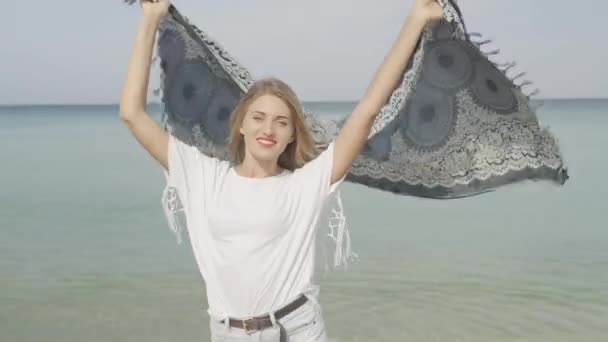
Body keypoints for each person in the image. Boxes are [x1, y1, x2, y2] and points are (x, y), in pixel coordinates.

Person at [119, 0, 442, 340]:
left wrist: (415, 20)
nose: (268, 129)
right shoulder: (201, 175)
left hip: (296, 329)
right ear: (240, 124)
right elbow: (132, 114)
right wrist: (150, 18)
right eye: (258, 118)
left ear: (291, 136)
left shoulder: (305, 184)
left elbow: (366, 113)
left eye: (281, 122)